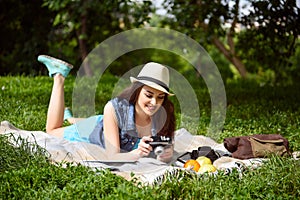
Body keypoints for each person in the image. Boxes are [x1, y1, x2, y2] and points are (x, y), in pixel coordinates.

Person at [38, 55, 176, 163]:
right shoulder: (113, 108)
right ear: (137, 90)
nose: (154, 102)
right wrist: (137, 154)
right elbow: (112, 157)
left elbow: (165, 152)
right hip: (95, 130)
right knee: (52, 131)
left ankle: (69, 118)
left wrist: (165, 156)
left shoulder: (165, 114)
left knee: (91, 121)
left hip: (105, 122)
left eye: (160, 97)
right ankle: (59, 76)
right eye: (149, 95)